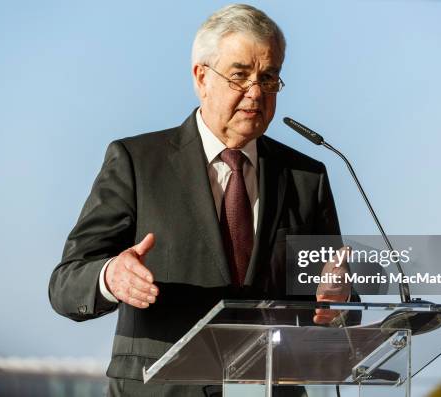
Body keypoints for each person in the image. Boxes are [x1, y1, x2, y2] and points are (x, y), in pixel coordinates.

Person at [49, 4, 353, 396]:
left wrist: (340, 297)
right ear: (201, 77)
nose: (256, 92)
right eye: (240, 75)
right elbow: (65, 281)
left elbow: (334, 286)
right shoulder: (137, 162)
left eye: (269, 77)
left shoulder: (306, 177)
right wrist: (110, 276)